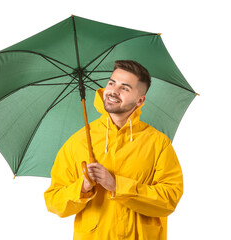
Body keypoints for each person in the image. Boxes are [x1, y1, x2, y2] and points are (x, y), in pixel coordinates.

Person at [44, 60, 183, 240]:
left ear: (140, 100)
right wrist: (83, 187)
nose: (113, 91)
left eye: (125, 88)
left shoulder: (158, 143)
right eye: (111, 83)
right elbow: (54, 201)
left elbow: (169, 200)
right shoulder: (78, 141)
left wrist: (117, 186)